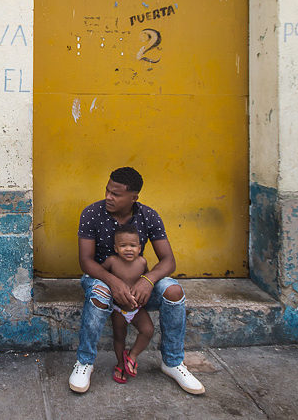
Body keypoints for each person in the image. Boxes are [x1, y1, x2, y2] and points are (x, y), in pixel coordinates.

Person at [68, 166, 205, 395]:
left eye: (116, 194)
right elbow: (86, 261)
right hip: (101, 278)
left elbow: (168, 261)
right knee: (100, 293)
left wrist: (148, 280)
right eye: (107, 190)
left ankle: (172, 363)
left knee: (173, 291)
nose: (108, 197)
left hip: (137, 285)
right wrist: (113, 281)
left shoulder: (148, 216)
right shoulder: (92, 213)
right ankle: (85, 362)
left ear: (134, 197)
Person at [102, 224, 154, 384]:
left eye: (132, 246)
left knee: (148, 330)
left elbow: (148, 282)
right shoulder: (112, 262)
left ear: (139, 248)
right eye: (123, 246)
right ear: (116, 248)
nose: (128, 249)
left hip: (137, 308)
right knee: (119, 337)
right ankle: (120, 364)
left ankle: (131, 356)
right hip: (119, 309)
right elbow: (100, 275)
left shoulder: (142, 263)